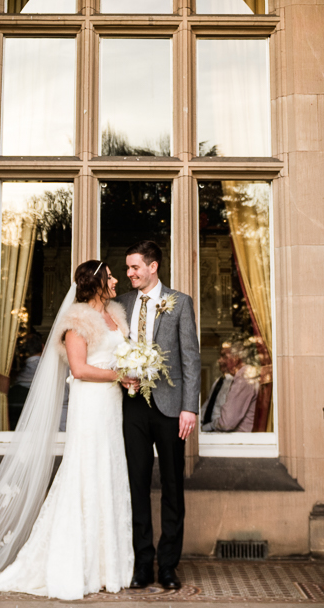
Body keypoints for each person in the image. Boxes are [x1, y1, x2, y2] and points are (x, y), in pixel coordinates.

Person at [0, 261, 133, 600]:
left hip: (112, 406)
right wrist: (120, 376)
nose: (116, 280)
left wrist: (131, 368)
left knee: (109, 471)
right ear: (98, 283)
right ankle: (77, 564)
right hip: (91, 404)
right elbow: (80, 369)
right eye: (110, 276)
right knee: (86, 472)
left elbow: (120, 354)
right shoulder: (77, 323)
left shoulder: (116, 315)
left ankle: (108, 566)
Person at [115, 241, 198, 593]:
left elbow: (191, 357)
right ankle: (141, 564)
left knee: (172, 486)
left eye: (135, 267)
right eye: (128, 268)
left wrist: (189, 407)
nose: (129, 274)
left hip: (169, 408)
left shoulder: (180, 302)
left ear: (153, 267)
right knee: (135, 485)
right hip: (133, 405)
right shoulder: (121, 304)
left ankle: (167, 565)